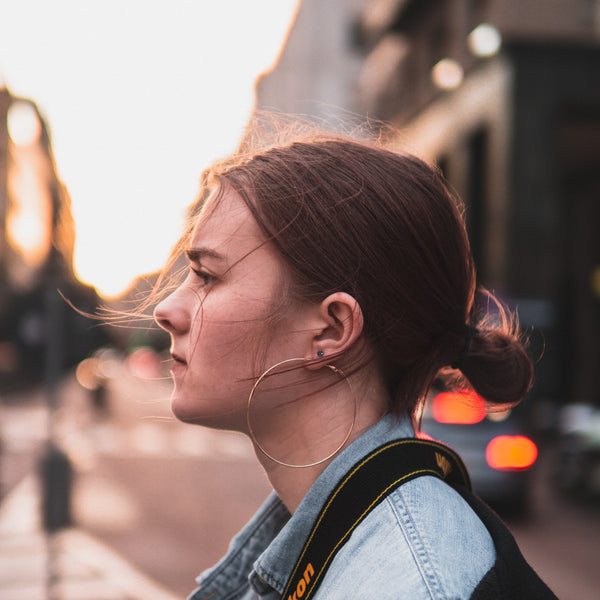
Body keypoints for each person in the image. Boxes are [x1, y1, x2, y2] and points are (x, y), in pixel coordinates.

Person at [152, 133, 551, 599]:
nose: (166, 309)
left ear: (332, 329)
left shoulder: (408, 584)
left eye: (206, 276)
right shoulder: (350, 530)